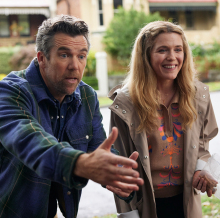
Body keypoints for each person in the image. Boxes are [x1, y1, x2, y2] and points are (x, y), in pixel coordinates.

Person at [0, 15, 144, 218]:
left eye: (82, 56)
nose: (75, 66)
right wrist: (80, 164)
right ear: (42, 58)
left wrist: (119, 174)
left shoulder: (86, 95)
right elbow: (31, 143)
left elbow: (98, 147)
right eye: (65, 55)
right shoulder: (10, 91)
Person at [107, 21, 218, 218]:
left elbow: (202, 144)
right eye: (162, 50)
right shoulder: (125, 103)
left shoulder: (198, 95)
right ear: (146, 56)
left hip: (186, 204)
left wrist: (201, 170)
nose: (172, 57)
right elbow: (120, 165)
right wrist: (129, 214)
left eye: (178, 49)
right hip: (145, 207)